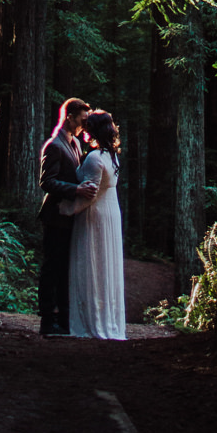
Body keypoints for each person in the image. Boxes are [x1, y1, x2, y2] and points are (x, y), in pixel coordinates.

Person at [63, 110, 126, 340]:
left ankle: (90, 321)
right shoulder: (112, 156)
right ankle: (106, 319)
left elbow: (89, 193)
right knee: (104, 265)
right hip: (110, 213)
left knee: (90, 263)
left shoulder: (95, 157)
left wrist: (66, 209)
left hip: (95, 215)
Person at [37, 97, 98, 337]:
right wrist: (76, 190)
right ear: (69, 117)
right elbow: (46, 182)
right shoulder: (54, 145)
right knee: (52, 268)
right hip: (55, 216)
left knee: (64, 269)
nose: (85, 124)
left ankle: (63, 318)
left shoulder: (74, 143)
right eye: (82, 120)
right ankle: (46, 320)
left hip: (68, 217)